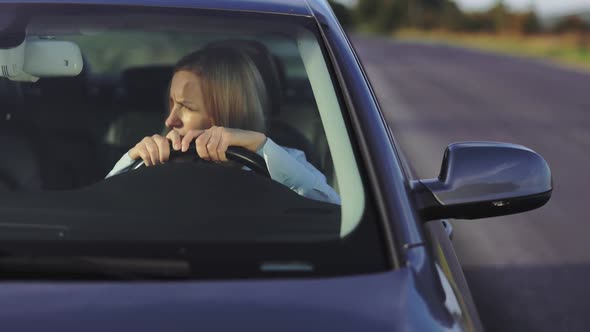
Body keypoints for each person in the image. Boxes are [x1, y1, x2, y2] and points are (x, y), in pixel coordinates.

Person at [106, 46, 340, 205]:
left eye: (186, 107)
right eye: (172, 104)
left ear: (225, 113)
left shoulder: (286, 161)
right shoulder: (153, 163)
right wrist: (132, 161)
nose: (170, 120)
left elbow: (332, 207)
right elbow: (102, 212)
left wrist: (261, 148)